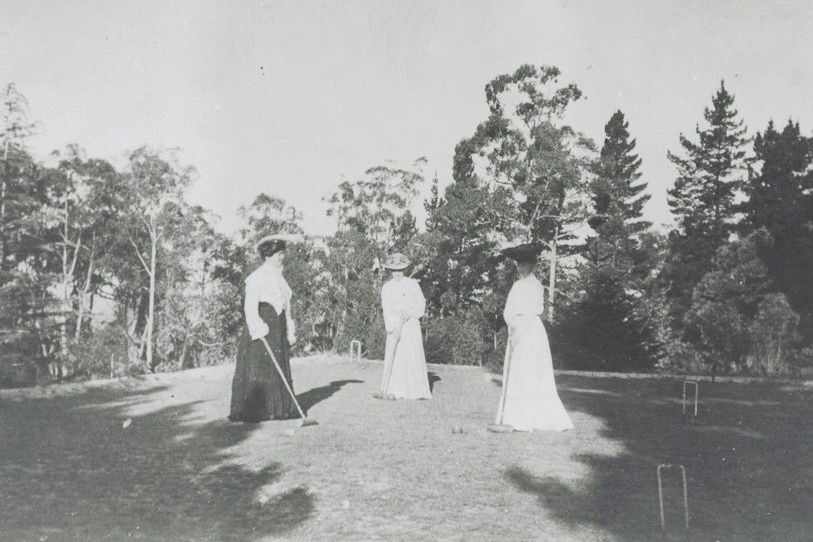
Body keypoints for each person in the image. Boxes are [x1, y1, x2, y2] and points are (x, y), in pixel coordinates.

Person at [492, 243, 573, 432]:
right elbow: (509, 309)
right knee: (517, 373)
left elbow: (534, 310)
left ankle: (530, 418)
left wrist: (521, 330)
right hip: (516, 330)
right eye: (519, 265)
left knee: (530, 372)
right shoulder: (516, 286)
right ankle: (513, 416)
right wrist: (511, 324)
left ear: (532, 266)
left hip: (530, 332)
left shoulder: (536, 285)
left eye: (525, 265)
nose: (521, 269)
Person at [229, 233, 301, 423]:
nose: (282, 257)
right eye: (278, 254)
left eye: (282, 253)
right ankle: (258, 411)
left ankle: (279, 409)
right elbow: (249, 308)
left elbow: (287, 309)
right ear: (268, 255)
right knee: (259, 368)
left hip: (278, 330)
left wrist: (290, 330)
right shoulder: (256, 278)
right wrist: (258, 327)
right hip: (262, 331)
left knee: (277, 368)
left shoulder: (281, 280)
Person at [378, 253, 431, 400]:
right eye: (394, 270)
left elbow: (421, 303)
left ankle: (416, 391)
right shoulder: (387, 287)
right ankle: (394, 390)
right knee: (397, 357)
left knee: (411, 354)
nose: (397, 274)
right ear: (390, 271)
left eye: (400, 270)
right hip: (395, 324)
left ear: (405, 269)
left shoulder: (413, 284)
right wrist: (392, 326)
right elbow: (386, 307)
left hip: (411, 324)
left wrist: (411, 313)